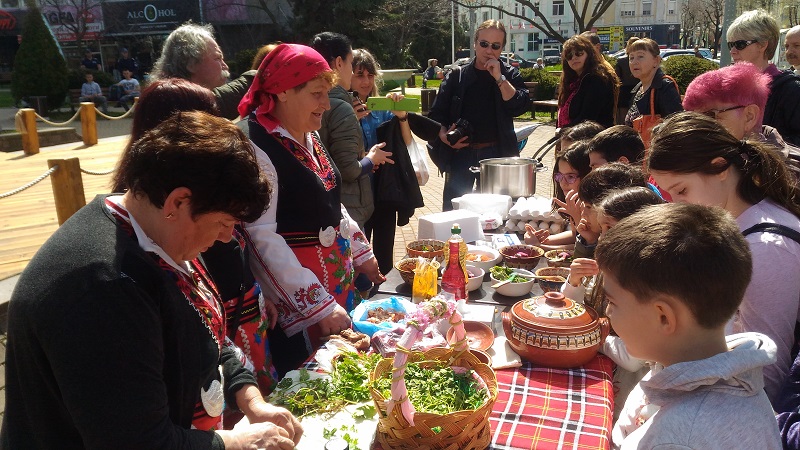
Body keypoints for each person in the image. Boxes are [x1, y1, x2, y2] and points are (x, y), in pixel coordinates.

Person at [1, 111, 303, 449]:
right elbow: (136, 442)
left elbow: (206, 335)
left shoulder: (162, 232)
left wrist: (251, 400)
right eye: (223, 221)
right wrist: (237, 443)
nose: (226, 237)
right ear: (178, 201)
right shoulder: (105, 288)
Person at [109, 78, 281, 397]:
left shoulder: (185, 220)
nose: (226, 235)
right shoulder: (136, 254)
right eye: (206, 120)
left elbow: (207, 323)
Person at [238, 43, 385, 375]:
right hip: (298, 290)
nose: (326, 104)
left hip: (333, 278)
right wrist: (318, 307)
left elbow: (329, 198)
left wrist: (362, 252)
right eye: (318, 94)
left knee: (352, 366)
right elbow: (261, 238)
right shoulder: (257, 147)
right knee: (318, 377)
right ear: (283, 91)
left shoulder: (307, 134)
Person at [597, 202, 781, 449]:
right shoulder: (695, 367)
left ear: (663, 317)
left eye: (612, 302)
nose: (608, 313)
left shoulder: (679, 438)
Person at [647, 111, 800, 405]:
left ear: (720, 167)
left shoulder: (767, 247)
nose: (677, 204)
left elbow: (767, 369)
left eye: (682, 190)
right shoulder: (733, 221)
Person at [428, 19, 529, 210]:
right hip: (460, 154)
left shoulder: (510, 74)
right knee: (454, 212)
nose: (489, 50)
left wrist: (499, 78)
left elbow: (519, 105)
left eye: (495, 46)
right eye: (484, 44)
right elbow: (436, 114)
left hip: (495, 155)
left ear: (502, 49)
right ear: (475, 44)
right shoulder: (457, 75)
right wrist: (445, 137)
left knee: (495, 214)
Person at [351, 48, 433, 275]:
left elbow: (406, 142)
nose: (366, 81)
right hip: (356, 188)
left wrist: (401, 116)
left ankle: (384, 298)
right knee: (358, 251)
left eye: (370, 75)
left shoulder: (382, 108)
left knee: (385, 252)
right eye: (359, 75)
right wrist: (351, 118)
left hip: (384, 188)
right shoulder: (341, 110)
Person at [311, 32, 393, 231]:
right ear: (339, 63)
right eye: (350, 64)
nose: (364, 80)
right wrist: (370, 159)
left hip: (322, 203)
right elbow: (348, 169)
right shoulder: (341, 107)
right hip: (347, 210)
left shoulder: (310, 99)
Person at [682, 62, 799, 165]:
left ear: (749, 116)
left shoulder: (789, 180)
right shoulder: (690, 165)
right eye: (692, 118)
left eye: (709, 116)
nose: (697, 127)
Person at [152, 22, 256, 120]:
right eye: (217, 58)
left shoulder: (162, 98)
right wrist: (258, 78)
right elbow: (216, 101)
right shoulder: (176, 104)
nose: (225, 66)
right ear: (191, 63)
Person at [727, 9, 800, 145]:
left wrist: (761, 146)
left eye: (740, 44)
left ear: (762, 45)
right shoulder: (729, 86)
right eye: (730, 45)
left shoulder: (791, 89)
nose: (732, 51)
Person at [557, 34, 619, 128]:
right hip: (572, 136)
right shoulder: (572, 81)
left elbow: (588, 117)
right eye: (569, 56)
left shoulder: (596, 79)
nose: (574, 58)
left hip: (594, 137)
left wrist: (563, 132)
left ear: (589, 54)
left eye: (579, 53)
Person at [623, 38, 682, 127]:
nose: (634, 62)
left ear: (656, 61)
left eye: (640, 56)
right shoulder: (638, 89)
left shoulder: (664, 87)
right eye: (631, 58)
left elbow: (675, 127)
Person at [614, 37, 641, 124]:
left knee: (623, 118)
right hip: (638, 88)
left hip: (624, 91)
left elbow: (617, 79)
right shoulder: (641, 60)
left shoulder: (620, 61)